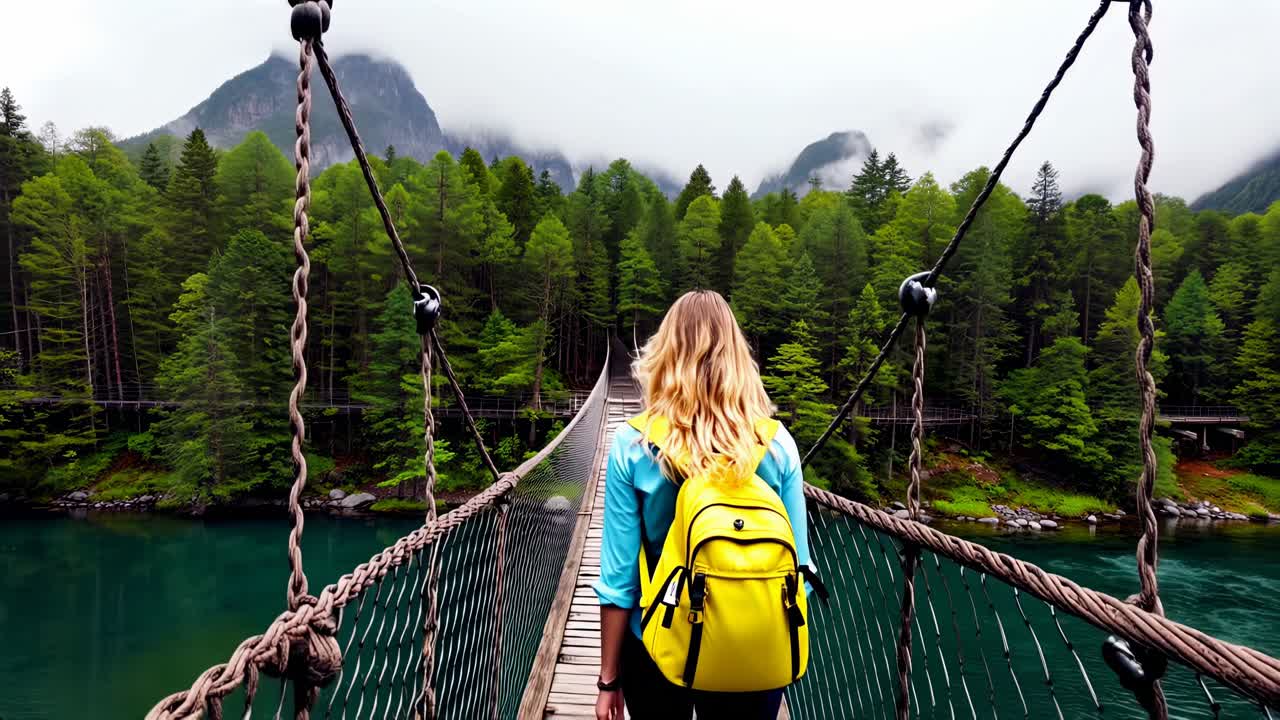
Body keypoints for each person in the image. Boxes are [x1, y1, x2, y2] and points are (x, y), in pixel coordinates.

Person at [593, 290, 811, 720]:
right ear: (738, 358)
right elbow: (799, 572)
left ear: (665, 355)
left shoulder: (634, 446)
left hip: (656, 642)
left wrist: (608, 681)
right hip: (753, 646)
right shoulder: (777, 444)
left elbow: (618, 583)